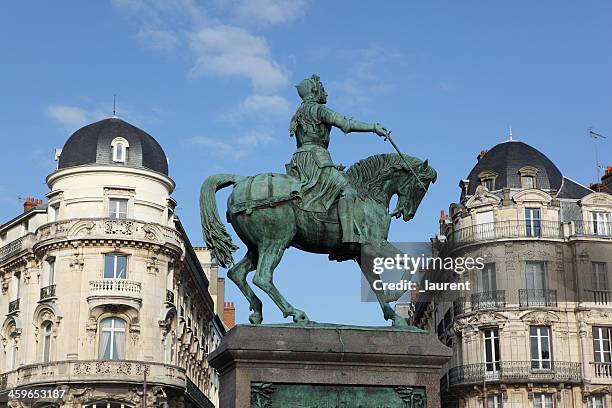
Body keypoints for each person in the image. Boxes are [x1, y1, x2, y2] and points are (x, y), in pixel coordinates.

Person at [288, 74, 390, 244]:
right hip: (316, 159)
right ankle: (349, 235)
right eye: (323, 90)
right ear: (315, 91)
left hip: (299, 161)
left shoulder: (298, 113)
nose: (326, 94)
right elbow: (345, 123)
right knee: (348, 191)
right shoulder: (319, 110)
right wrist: (373, 127)